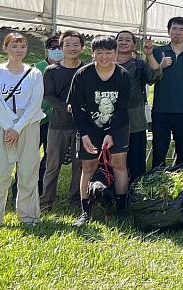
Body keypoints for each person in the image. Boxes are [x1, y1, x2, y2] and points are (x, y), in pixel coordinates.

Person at [69, 36, 131, 227]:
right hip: (89, 128)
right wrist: (85, 134)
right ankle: (85, 212)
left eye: (109, 52)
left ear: (116, 53)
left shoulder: (122, 75)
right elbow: (76, 107)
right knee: (87, 167)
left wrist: (111, 133)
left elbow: (122, 108)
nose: (104, 57)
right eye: (100, 52)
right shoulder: (82, 75)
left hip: (117, 128)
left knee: (118, 165)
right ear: (92, 53)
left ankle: (120, 209)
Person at [0, 32, 44, 226]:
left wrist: (18, 127)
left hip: (28, 126)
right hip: (1, 125)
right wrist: (9, 126)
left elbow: (35, 102)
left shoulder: (34, 73)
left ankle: (29, 216)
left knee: (28, 172)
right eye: (14, 46)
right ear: (5, 48)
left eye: (23, 46)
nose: (19, 50)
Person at [41, 31, 85, 210]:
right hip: (58, 125)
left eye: (76, 44)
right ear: (61, 48)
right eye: (67, 45)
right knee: (52, 165)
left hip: (82, 126)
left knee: (79, 165)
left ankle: (75, 199)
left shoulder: (87, 69)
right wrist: (65, 106)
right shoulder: (52, 70)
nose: (72, 48)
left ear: (82, 47)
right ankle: (45, 202)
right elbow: (48, 95)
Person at [12, 35, 59, 198]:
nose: (57, 50)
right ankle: (17, 190)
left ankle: (40, 190)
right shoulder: (36, 68)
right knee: (26, 158)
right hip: (34, 121)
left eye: (60, 46)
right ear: (46, 49)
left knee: (50, 159)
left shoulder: (68, 69)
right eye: (53, 47)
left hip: (56, 123)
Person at [151, 17, 183, 167]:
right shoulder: (157, 51)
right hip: (161, 110)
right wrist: (161, 66)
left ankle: (182, 184)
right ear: (168, 31)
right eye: (174, 29)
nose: (177, 33)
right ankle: (156, 183)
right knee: (159, 150)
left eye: (181, 30)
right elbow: (150, 79)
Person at [115, 31, 161, 183]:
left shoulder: (139, 65)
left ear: (134, 45)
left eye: (128, 40)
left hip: (135, 122)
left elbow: (156, 76)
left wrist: (149, 54)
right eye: (120, 39)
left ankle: (135, 193)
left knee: (136, 163)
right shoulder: (106, 63)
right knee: (112, 162)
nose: (123, 42)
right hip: (111, 123)